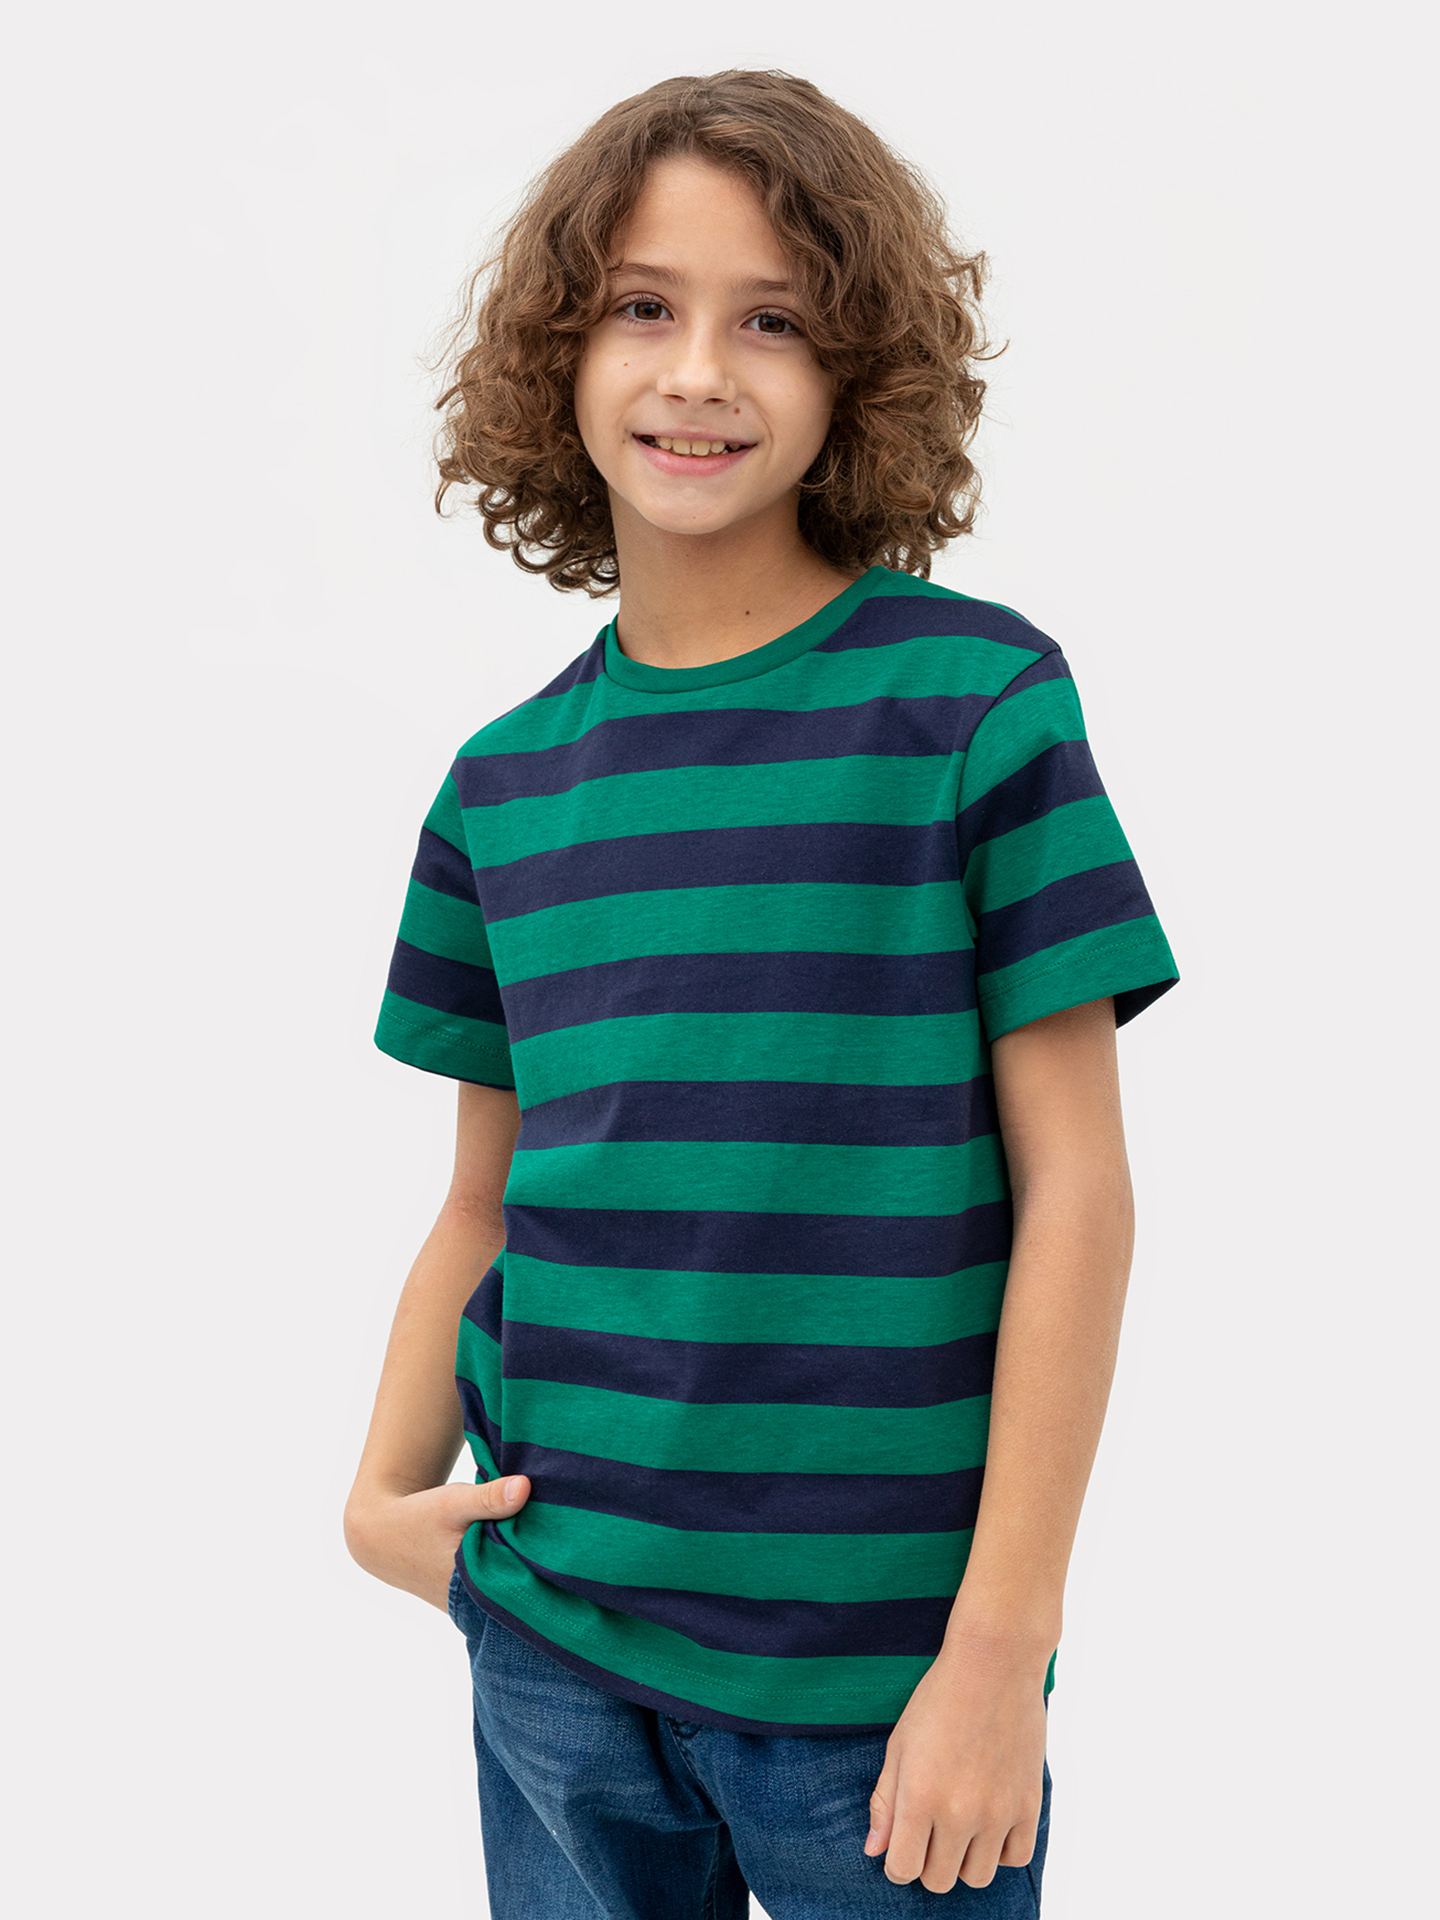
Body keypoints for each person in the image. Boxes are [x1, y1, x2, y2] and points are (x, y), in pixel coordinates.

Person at [344, 69, 1177, 1918]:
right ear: (561, 354)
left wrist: (1000, 1653)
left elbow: (1080, 1194)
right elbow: (484, 1202)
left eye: (774, 321)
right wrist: (379, 1500)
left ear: (857, 368)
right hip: (554, 1652)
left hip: (886, 1698)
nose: (700, 372)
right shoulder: (501, 787)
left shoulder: (974, 709)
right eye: (644, 307)